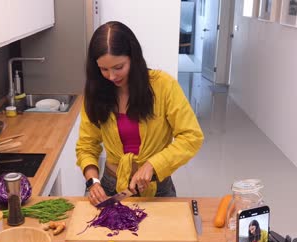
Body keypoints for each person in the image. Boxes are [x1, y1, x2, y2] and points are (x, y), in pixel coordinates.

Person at [76, 21, 204, 206]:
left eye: (119, 67)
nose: (111, 77)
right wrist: (92, 181)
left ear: (134, 59)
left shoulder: (163, 86)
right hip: (110, 187)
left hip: (158, 187)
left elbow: (191, 137)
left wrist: (153, 165)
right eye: (104, 69)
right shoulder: (95, 92)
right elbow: (87, 145)